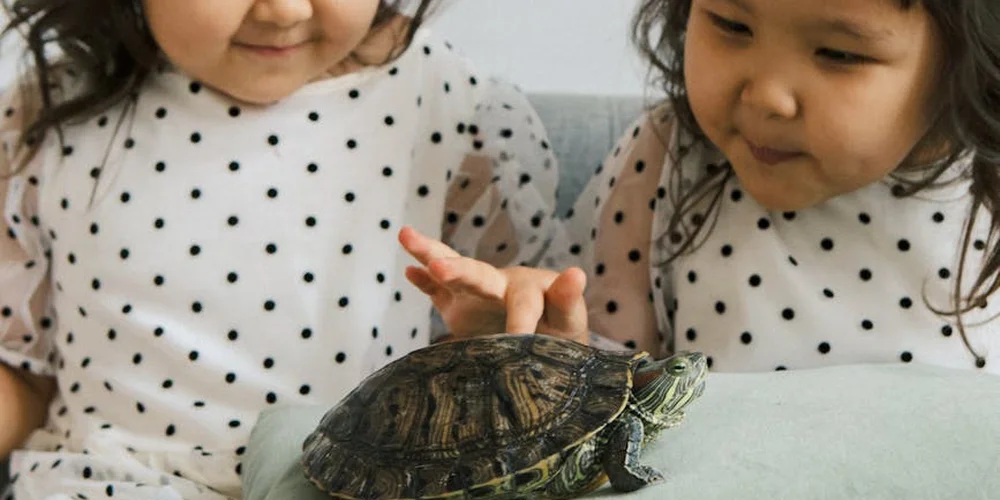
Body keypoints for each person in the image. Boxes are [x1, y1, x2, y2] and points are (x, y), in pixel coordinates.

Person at [0, 0, 559, 497]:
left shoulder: (458, 113)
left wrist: (509, 334)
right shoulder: (47, 114)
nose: (284, 11)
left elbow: (528, 357)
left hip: (354, 485)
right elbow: (25, 369)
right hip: (101, 479)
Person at [401, 0, 1000, 375]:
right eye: (731, 23)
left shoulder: (985, 192)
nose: (766, 95)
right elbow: (614, 385)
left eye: (838, 53)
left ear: (967, 60)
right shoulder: (664, 158)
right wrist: (556, 345)